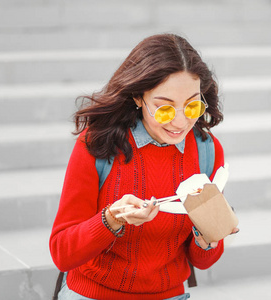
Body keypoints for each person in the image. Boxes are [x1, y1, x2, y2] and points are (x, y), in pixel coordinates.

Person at [49, 33, 238, 300]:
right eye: (165, 109)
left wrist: (210, 235)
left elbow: (204, 261)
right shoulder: (98, 144)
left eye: (192, 106)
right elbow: (62, 252)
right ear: (139, 98)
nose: (181, 123)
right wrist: (110, 219)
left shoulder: (207, 149)